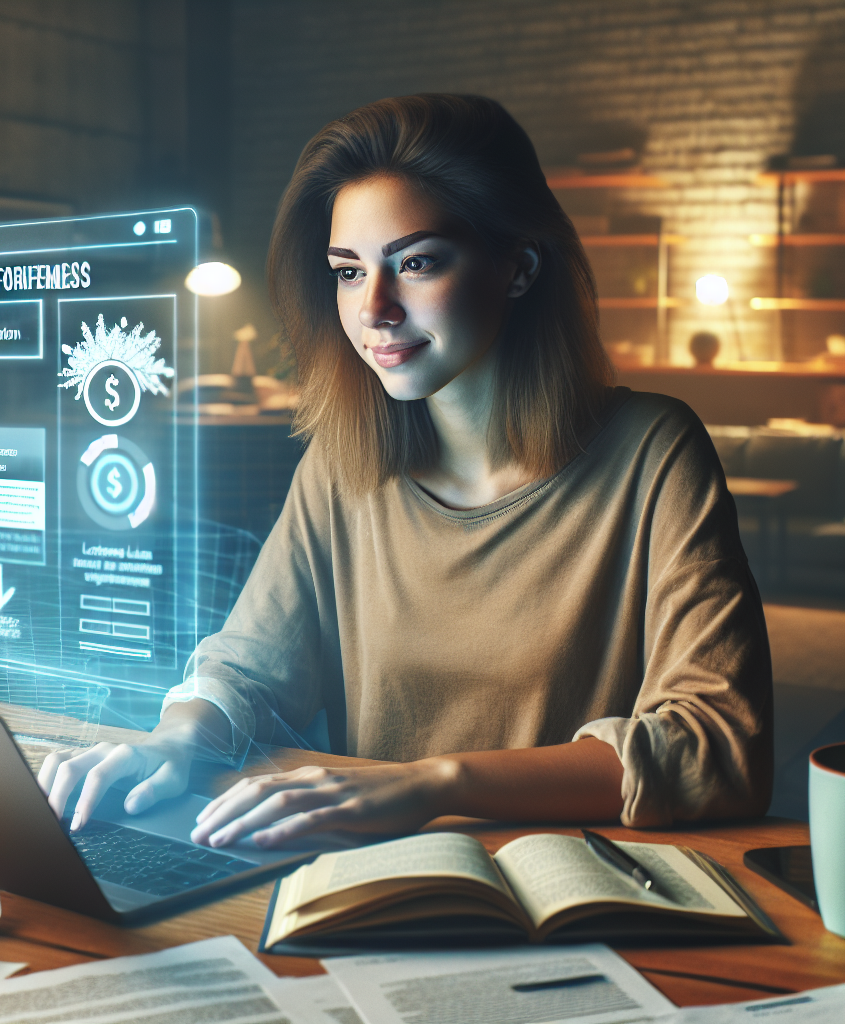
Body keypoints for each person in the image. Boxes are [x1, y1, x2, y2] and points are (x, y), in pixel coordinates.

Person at [40, 94, 773, 849]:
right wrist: (174, 739)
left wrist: (433, 784)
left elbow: (717, 745)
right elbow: (249, 670)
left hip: (569, 880)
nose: (374, 309)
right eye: (348, 272)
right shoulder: (343, 461)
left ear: (519, 266)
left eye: (416, 263)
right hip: (374, 874)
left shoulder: (654, 451)